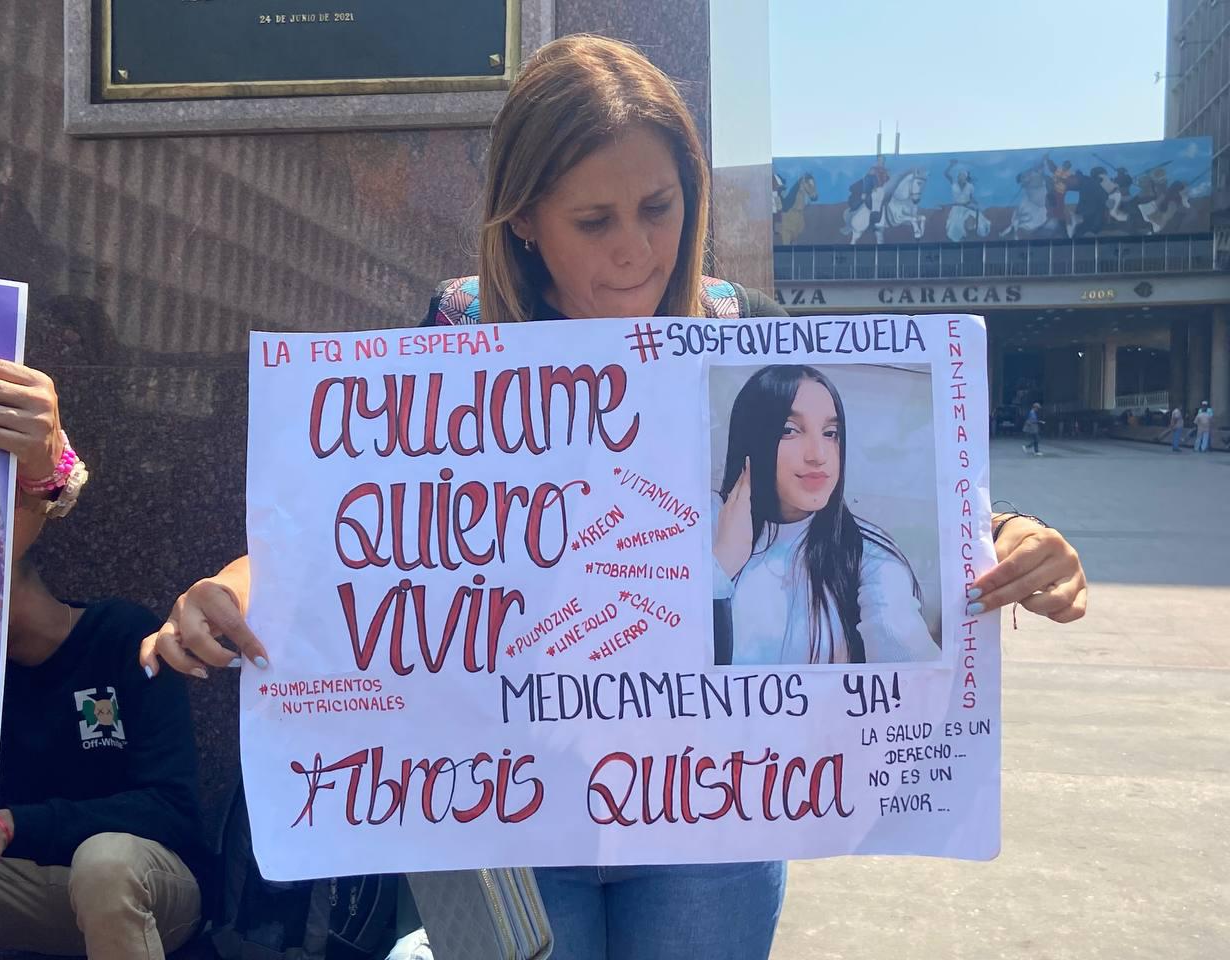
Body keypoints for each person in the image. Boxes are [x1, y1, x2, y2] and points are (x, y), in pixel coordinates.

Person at [137, 35, 1089, 960]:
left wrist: (1010, 538)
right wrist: (238, 585)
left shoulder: (739, 330)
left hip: (709, 816)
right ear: (523, 220)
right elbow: (373, 524)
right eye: (595, 222)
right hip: (508, 807)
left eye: (660, 208)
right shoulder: (458, 325)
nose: (637, 251)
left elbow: (895, 502)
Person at [0, 553, 206, 960]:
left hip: (146, 883)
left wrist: (16, 823)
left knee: (103, 864)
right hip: (34, 888)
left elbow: (172, 810)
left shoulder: (124, 637)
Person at [711, 364, 936, 665]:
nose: (818, 455)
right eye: (789, 430)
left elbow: (911, 671)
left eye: (831, 433)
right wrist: (720, 567)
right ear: (753, 436)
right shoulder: (698, 522)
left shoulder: (865, 551)